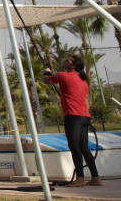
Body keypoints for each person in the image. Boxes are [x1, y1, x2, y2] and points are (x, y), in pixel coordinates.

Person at [43, 55, 101, 187]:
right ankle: (95, 178)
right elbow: (86, 101)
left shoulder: (64, 76)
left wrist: (47, 72)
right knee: (84, 148)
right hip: (85, 117)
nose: (64, 61)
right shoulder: (83, 82)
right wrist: (87, 116)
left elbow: (46, 80)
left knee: (74, 146)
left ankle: (80, 179)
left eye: (66, 60)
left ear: (73, 66)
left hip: (73, 116)